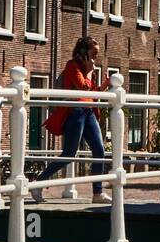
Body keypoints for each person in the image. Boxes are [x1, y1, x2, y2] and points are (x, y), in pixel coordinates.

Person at [37, 37, 111, 204]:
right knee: (69, 154)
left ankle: (97, 193)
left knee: (99, 151)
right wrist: (89, 71)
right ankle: (38, 184)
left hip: (89, 112)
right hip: (75, 112)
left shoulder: (86, 68)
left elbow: (91, 92)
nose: (96, 57)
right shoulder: (72, 66)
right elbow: (82, 87)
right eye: (94, 53)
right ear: (84, 52)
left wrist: (104, 86)